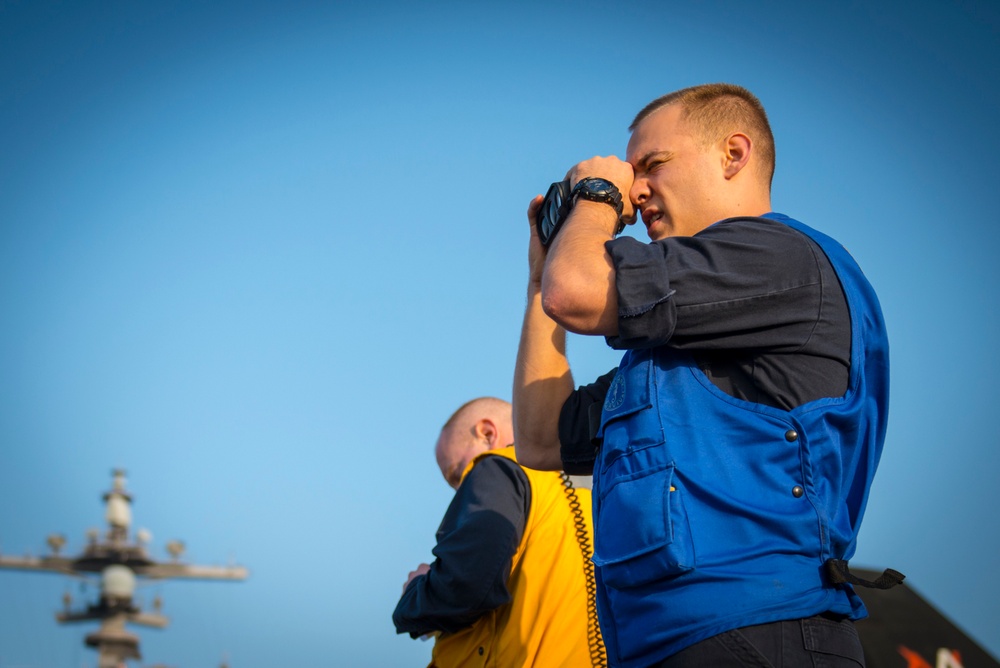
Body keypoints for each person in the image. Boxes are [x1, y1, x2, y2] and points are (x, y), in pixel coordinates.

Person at [512, 83, 900, 668]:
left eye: (653, 164)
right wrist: (538, 284)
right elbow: (541, 440)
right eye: (627, 174)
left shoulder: (780, 258)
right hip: (669, 645)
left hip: (759, 634)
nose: (635, 190)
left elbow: (580, 292)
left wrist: (594, 195)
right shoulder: (674, 352)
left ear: (734, 154)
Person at [393, 397, 605, 667]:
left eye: (458, 474)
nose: (462, 491)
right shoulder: (591, 488)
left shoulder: (498, 467)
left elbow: (466, 585)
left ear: (487, 433)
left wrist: (417, 591)